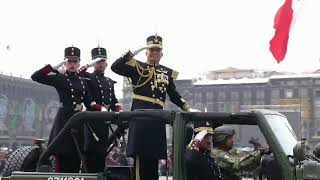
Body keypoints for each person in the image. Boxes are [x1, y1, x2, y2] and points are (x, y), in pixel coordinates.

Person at [111, 34, 191, 180]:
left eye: (157, 50)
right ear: (146, 52)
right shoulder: (136, 67)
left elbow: (173, 94)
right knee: (140, 160)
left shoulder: (166, 72)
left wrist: (187, 108)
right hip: (140, 117)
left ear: (162, 54)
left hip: (157, 119)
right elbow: (115, 67)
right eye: (151, 50)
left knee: (153, 160)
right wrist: (131, 53)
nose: (154, 53)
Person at [31, 46, 102, 173]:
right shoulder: (60, 78)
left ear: (79, 63)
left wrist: (103, 110)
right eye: (69, 61)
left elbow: (90, 102)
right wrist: (54, 67)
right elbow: (36, 76)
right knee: (62, 153)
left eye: (75, 62)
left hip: (79, 120)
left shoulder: (82, 81)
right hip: (64, 119)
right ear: (65, 62)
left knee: (77, 154)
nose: (72, 64)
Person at [78, 46, 122, 172]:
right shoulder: (87, 77)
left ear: (106, 63)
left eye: (102, 61)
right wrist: (88, 65)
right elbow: (78, 74)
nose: (101, 64)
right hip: (91, 120)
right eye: (98, 61)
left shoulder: (109, 81)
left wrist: (118, 107)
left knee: (102, 151)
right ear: (93, 63)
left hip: (104, 121)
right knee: (90, 151)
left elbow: (113, 100)